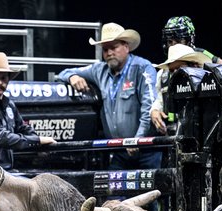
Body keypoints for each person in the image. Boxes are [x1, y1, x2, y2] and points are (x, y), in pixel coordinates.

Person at [56, 22, 158, 170]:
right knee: (113, 191)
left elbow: (149, 105)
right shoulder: (99, 70)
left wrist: (138, 139)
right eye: (105, 49)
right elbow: (62, 73)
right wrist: (73, 77)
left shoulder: (142, 68)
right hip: (118, 150)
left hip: (146, 149)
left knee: (154, 191)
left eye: (114, 47)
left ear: (126, 47)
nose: (109, 53)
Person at [0, 52, 56, 170]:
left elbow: (22, 127)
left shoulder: (8, 104)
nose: (0, 82)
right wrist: (38, 141)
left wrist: (38, 144)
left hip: (1, 171)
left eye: (3, 78)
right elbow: (1, 138)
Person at [150, 16, 222, 135]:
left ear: (188, 40)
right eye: (170, 41)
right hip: (173, 136)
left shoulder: (205, 68)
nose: (173, 45)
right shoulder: (163, 74)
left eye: (178, 40)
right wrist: (154, 110)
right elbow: (159, 100)